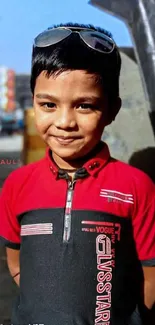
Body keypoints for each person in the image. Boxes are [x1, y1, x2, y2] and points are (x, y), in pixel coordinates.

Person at [0, 23, 155, 325]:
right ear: (33, 102)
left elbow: (151, 276)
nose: (64, 121)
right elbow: (17, 264)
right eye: (48, 104)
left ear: (112, 110)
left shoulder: (136, 187)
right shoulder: (17, 184)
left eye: (85, 106)